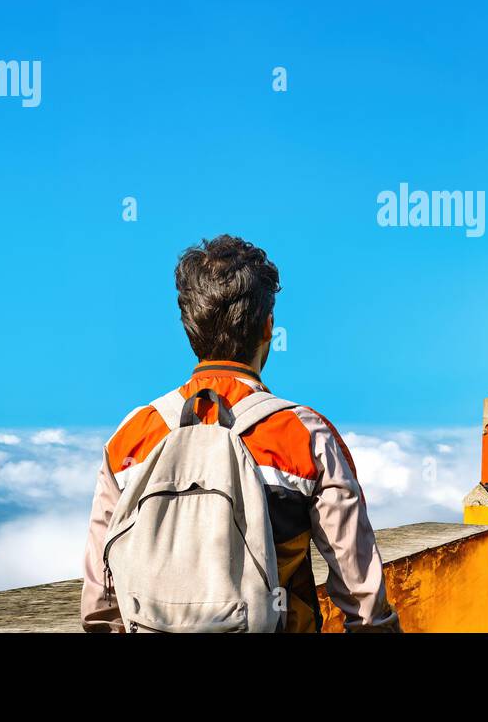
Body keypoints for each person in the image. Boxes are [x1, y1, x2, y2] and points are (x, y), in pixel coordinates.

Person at [80, 234, 400, 632]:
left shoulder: (130, 438)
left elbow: (100, 603)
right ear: (268, 327)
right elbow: (361, 598)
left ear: (188, 327)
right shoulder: (306, 437)